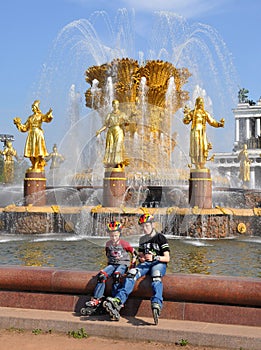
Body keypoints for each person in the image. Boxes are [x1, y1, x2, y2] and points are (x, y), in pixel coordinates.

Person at [103, 214, 170, 325]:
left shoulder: (160, 237)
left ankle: (156, 303)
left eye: (147, 225)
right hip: (145, 264)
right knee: (131, 274)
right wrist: (141, 258)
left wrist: (155, 257)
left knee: (156, 276)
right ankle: (118, 301)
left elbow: (167, 258)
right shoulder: (142, 239)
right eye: (143, 226)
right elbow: (140, 255)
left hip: (158, 263)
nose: (145, 228)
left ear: (152, 225)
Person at [80, 220, 137, 316]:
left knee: (117, 276)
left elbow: (134, 253)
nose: (113, 238)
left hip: (122, 264)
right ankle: (97, 299)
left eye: (115, 235)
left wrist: (132, 266)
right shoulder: (108, 244)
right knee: (101, 276)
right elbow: (108, 256)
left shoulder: (124, 243)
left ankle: (115, 300)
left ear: (119, 234)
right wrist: (107, 270)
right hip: (112, 264)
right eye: (111, 236)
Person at [183, 96, 225, 169]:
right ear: (197, 103)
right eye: (200, 102)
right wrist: (187, 116)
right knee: (196, 147)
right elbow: (185, 122)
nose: (201, 103)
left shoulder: (205, 113)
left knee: (204, 147)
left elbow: (212, 122)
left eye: (202, 102)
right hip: (195, 131)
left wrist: (219, 124)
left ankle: (202, 163)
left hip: (202, 132)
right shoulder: (193, 112)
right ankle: (196, 164)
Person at [13, 100, 53, 172]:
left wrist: (49, 114)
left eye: (34, 107)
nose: (32, 109)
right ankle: (33, 165)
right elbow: (25, 127)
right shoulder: (30, 118)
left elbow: (46, 118)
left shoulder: (40, 116)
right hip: (31, 135)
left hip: (38, 133)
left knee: (38, 151)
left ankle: (36, 166)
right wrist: (18, 124)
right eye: (32, 107)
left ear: (37, 108)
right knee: (31, 151)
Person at [96, 99, 129, 169]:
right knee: (110, 147)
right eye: (114, 104)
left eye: (117, 104)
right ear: (112, 105)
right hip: (110, 131)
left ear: (118, 105)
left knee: (118, 145)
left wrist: (127, 121)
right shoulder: (109, 115)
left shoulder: (122, 114)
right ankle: (110, 163)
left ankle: (118, 162)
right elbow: (106, 125)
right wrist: (99, 131)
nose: (115, 105)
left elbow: (127, 122)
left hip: (119, 131)